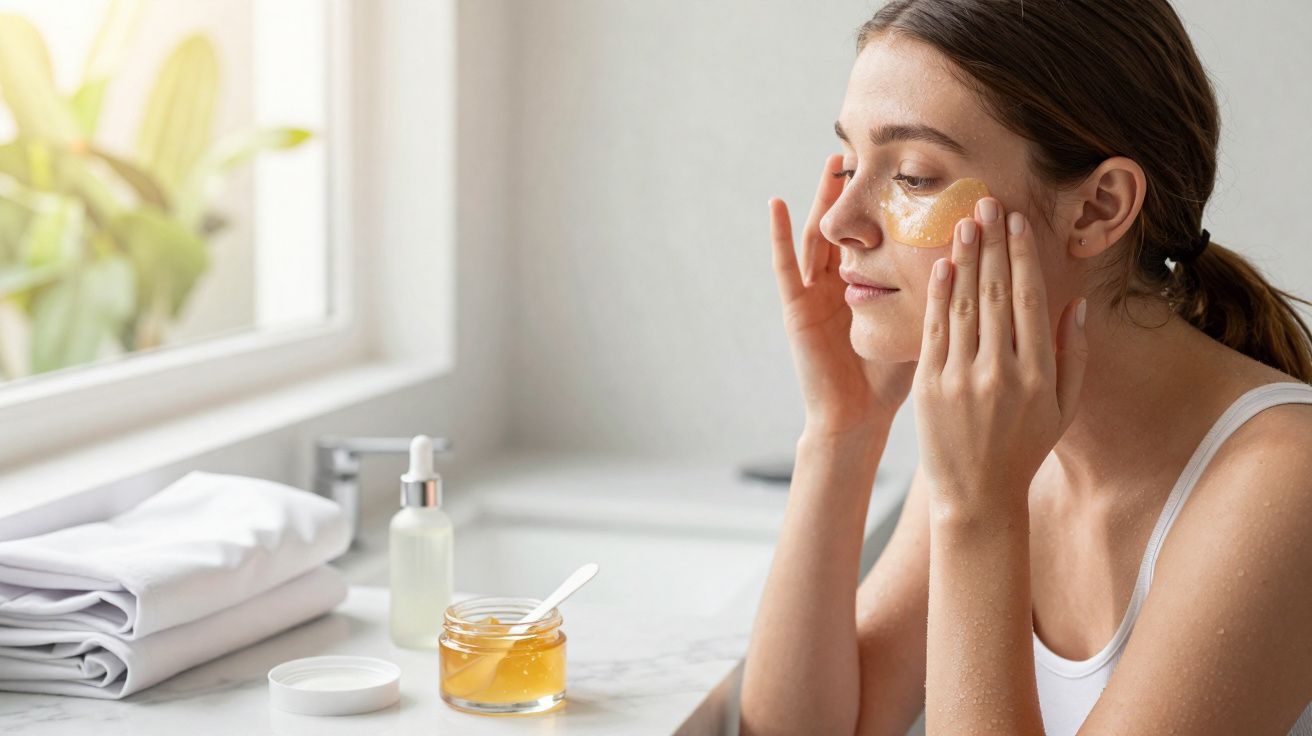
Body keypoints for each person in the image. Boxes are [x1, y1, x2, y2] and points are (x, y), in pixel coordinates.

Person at [740, 1, 1312, 734]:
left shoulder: (1284, 483)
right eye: (850, 163)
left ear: (1098, 209)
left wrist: (980, 514)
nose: (836, 220)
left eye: (912, 176)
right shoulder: (1010, 436)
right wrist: (841, 431)